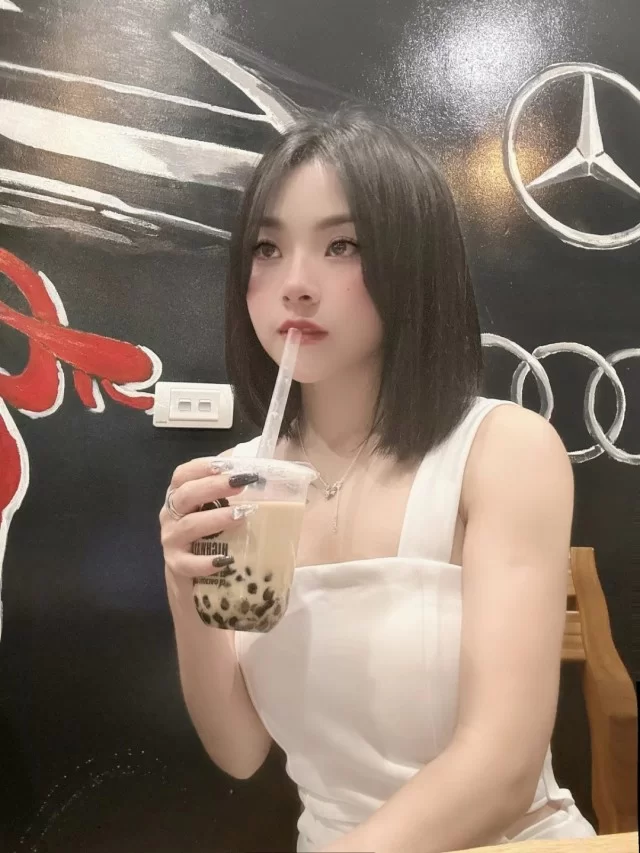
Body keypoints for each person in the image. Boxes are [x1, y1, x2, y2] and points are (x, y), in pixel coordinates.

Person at [159, 107, 596, 853]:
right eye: (267, 247)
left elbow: (500, 768)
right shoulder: (243, 482)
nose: (295, 284)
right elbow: (239, 749)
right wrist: (184, 588)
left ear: (412, 264)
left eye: (343, 245)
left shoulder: (502, 451)